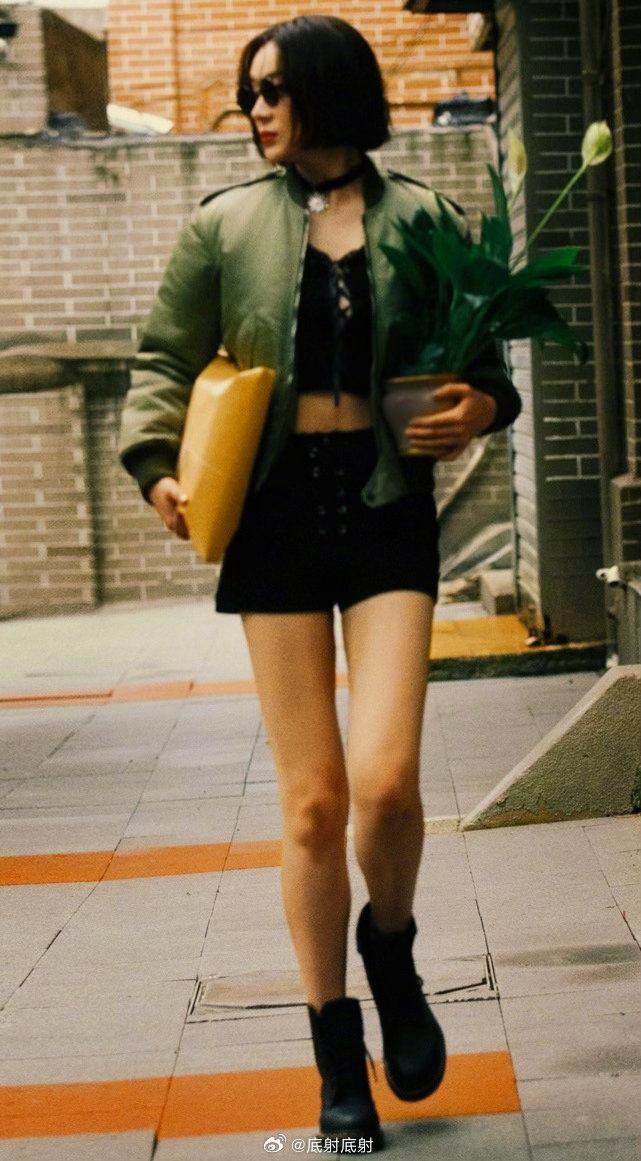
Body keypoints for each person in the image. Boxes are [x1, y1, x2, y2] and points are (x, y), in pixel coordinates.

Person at [119, 15, 521, 1150]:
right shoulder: (224, 225)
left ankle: (389, 950)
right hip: (275, 517)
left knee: (385, 785)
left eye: (275, 90)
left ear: (330, 92)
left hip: (386, 510)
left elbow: (483, 366)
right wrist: (156, 466)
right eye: (249, 91)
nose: (255, 109)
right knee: (313, 803)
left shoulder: (424, 219)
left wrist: (479, 406)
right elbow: (162, 361)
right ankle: (335, 1049)